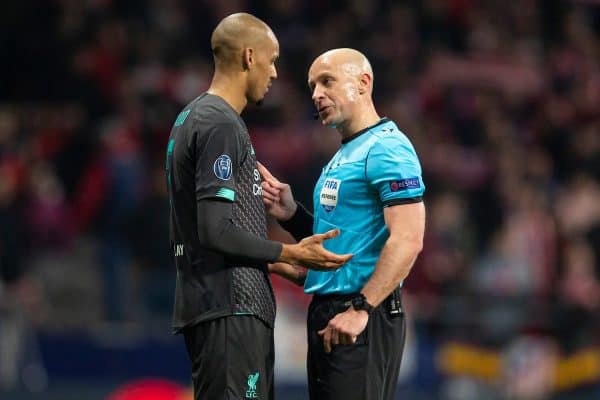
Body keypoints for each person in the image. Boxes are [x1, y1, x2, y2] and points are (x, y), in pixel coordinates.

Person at [165, 15, 352, 400]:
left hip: (226, 307)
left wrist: (281, 265)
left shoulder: (196, 117)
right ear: (250, 56)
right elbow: (214, 231)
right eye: (272, 60)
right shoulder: (218, 123)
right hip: (231, 310)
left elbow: (211, 237)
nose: (275, 73)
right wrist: (291, 250)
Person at [259, 48, 426, 400]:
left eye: (327, 81)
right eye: (313, 86)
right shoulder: (343, 155)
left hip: (361, 314)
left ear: (363, 83)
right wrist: (292, 215)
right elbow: (338, 248)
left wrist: (362, 309)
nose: (317, 94)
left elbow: (409, 239)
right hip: (331, 313)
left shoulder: (387, 148)